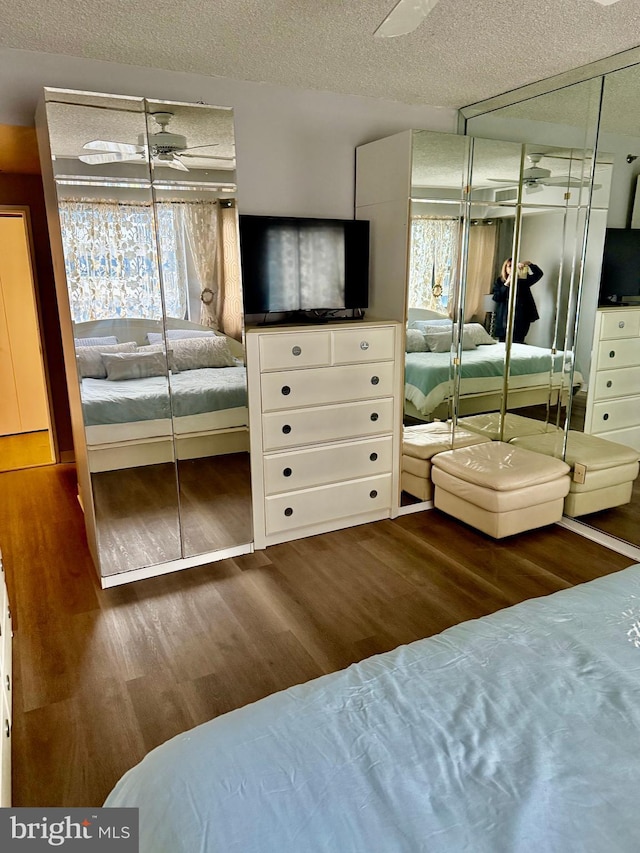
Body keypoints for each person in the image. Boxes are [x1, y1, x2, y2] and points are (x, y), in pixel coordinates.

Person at [492, 258, 543, 344]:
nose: (512, 269)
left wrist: (529, 264)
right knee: (503, 342)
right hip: (504, 318)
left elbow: (539, 274)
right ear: (505, 268)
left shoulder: (523, 280)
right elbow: (497, 297)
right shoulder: (500, 281)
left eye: (514, 266)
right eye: (510, 266)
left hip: (521, 317)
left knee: (518, 341)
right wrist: (507, 283)